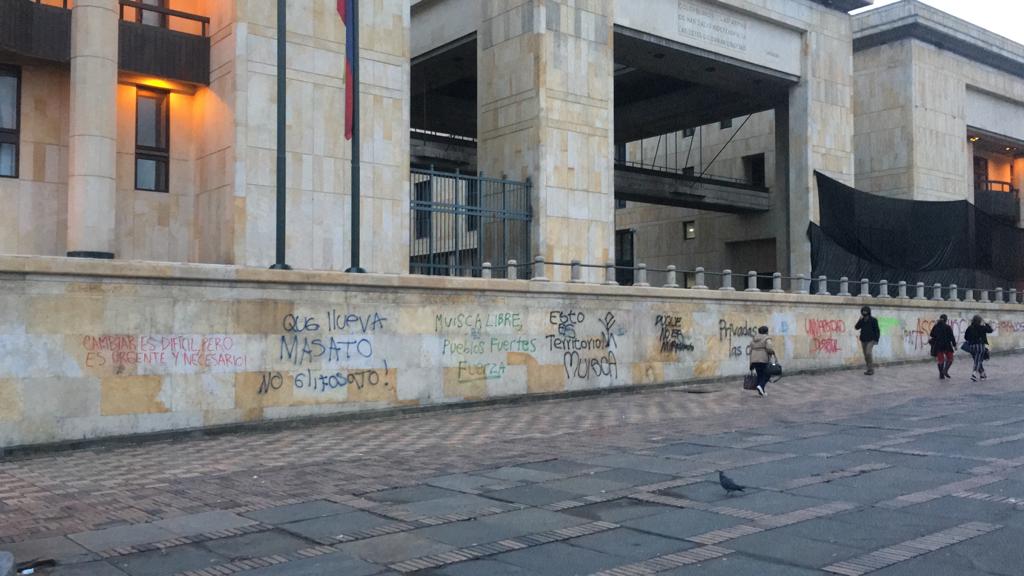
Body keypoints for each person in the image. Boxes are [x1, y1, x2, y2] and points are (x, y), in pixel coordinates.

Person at [963, 314, 993, 382]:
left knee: (977, 360)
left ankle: (982, 374)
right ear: (979, 321)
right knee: (978, 361)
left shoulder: (969, 328)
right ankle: (974, 374)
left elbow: (966, 337)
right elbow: (990, 330)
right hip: (980, 346)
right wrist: (986, 324)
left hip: (972, 347)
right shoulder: (982, 327)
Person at [749, 325, 775, 397]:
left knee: (760, 375)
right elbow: (769, 348)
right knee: (767, 374)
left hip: (754, 359)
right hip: (763, 359)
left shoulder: (754, 339)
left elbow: (750, 349)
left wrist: (750, 363)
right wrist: (772, 352)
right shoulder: (766, 338)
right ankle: (760, 386)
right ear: (766, 331)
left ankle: (762, 392)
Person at [929, 314, 956, 380]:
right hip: (947, 345)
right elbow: (952, 337)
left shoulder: (936, 326)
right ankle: (945, 370)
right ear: (946, 320)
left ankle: (941, 374)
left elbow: (931, 334)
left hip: (938, 346)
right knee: (950, 359)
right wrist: (954, 345)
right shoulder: (948, 327)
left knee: (940, 360)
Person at [854, 305, 880, 375]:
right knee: (866, 355)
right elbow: (856, 327)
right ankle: (869, 369)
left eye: (865, 311)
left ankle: (871, 369)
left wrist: (876, 339)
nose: (864, 312)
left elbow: (877, 330)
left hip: (871, 340)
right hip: (863, 339)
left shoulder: (873, 320)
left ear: (868, 312)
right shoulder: (862, 320)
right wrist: (859, 320)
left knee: (868, 353)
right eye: (863, 311)